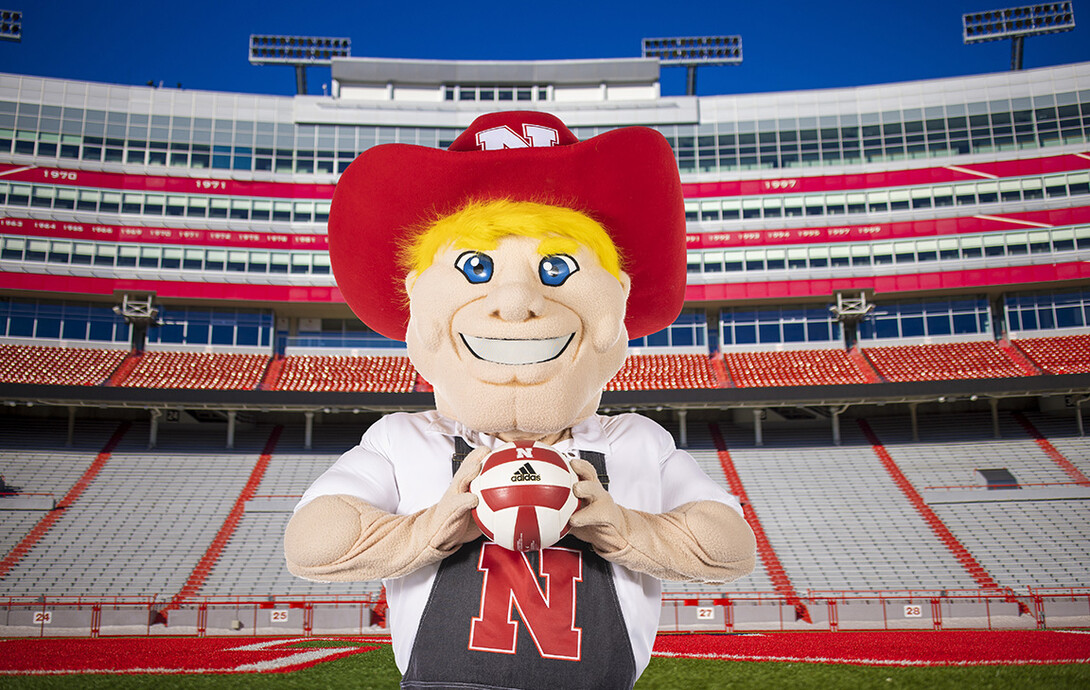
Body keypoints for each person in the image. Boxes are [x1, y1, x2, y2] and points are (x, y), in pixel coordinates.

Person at [285, 111, 755, 689]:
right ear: (419, 304)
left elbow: (731, 545)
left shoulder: (636, 440)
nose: (514, 303)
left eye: (555, 269)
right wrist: (432, 529)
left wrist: (625, 530)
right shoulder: (406, 439)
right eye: (475, 268)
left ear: (617, 302)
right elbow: (311, 542)